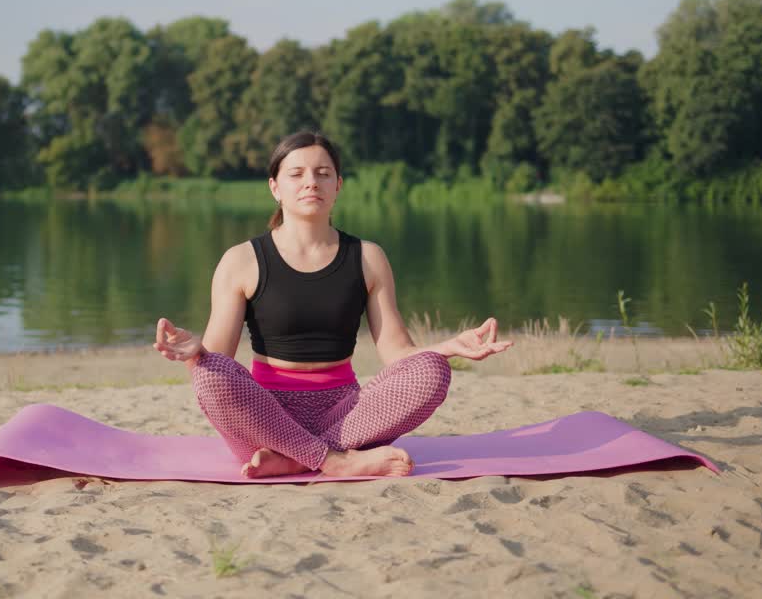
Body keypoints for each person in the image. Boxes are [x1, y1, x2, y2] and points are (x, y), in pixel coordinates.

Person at [153, 131, 513, 478]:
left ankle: (298, 459)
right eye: (296, 174)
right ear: (275, 187)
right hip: (265, 419)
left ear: (338, 185)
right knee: (209, 374)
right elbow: (218, 367)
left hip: (347, 418)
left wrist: (447, 348)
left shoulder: (367, 258)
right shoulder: (241, 260)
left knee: (432, 371)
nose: (311, 182)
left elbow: (398, 352)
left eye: (323, 174)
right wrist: (195, 355)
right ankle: (334, 461)